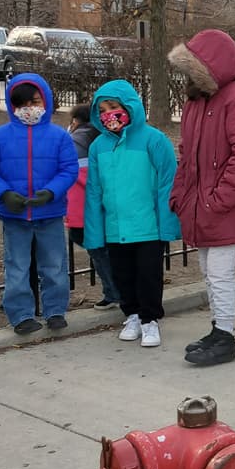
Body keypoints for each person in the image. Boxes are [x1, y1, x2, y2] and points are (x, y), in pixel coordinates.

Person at [169, 29, 235, 367]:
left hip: (221, 205)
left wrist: (218, 199)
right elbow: (186, 154)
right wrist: (181, 193)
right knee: (209, 270)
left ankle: (224, 335)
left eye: (193, 68)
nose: (188, 75)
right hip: (202, 202)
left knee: (220, 272)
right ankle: (219, 329)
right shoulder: (196, 102)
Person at [0, 74, 79, 335]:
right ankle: (20, 314)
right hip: (14, 215)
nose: (29, 109)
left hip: (50, 212)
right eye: (22, 104)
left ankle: (55, 310)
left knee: (54, 265)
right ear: (13, 106)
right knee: (17, 266)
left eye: (34, 101)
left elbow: (68, 169)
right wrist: (4, 193)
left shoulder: (59, 136)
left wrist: (50, 192)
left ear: (45, 101)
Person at [83, 80, 180, 349]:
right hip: (115, 226)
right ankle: (133, 315)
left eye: (113, 106)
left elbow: (166, 185)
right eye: (102, 109)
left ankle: (150, 320)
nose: (108, 113)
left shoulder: (154, 140)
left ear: (129, 106)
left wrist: (167, 225)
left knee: (148, 275)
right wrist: (95, 231)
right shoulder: (98, 146)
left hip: (147, 225)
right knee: (122, 274)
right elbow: (93, 191)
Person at [65, 102, 121, 311]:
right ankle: (115, 291)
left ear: (76, 121)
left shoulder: (73, 141)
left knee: (98, 251)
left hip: (81, 208)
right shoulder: (105, 138)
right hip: (107, 205)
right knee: (108, 249)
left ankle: (114, 291)